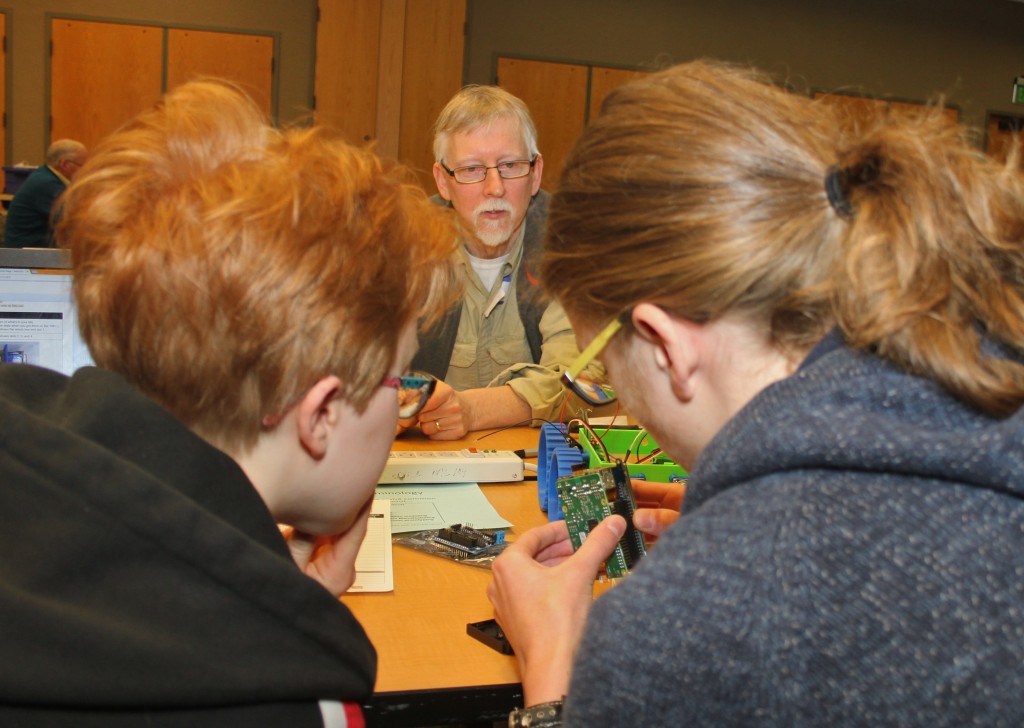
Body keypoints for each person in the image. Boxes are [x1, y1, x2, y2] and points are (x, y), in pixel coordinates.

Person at [488, 60, 1024, 726]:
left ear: (665, 345)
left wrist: (554, 680)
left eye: (598, 368)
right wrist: (748, 512)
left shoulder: (675, 629)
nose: (609, 390)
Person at [0, 81, 459, 726]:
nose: (404, 403)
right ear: (321, 414)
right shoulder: (286, 691)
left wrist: (265, 592)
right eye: (402, 379)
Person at [405, 85, 602, 440]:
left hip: (532, 467)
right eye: (471, 169)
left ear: (535, 174)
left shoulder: (572, 244)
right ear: (443, 181)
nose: (494, 188)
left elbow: (580, 380)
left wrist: (468, 410)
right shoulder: (404, 246)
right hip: (418, 460)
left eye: (510, 166)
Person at [2, 138, 87, 248]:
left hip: (34, 252)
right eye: (83, 165)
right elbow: (74, 220)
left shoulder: (47, 176)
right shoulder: (47, 184)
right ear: (65, 164)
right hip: (26, 257)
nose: (86, 170)